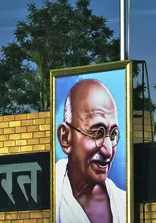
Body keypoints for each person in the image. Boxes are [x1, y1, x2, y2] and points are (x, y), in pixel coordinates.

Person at [55, 78, 126, 223]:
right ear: (66, 137)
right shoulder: (48, 195)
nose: (108, 151)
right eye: (96, 133)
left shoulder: (123, 204)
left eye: (112, 134)